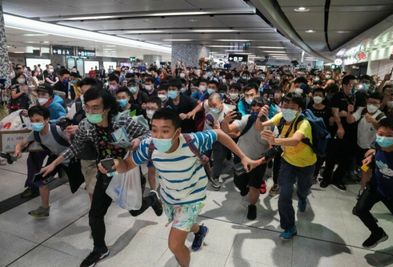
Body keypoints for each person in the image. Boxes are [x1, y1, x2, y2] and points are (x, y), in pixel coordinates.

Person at [113, 108, 258, 267]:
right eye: (154, 130)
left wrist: (243, 156)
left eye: (165, 131)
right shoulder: (148, 146)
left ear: (177, 132)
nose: (158, 136)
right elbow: (127, 165)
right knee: (183, 223)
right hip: (169, 195)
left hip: (192, 196)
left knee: (174, 245)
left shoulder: (192, 141)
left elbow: (219, 134)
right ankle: (199, 231)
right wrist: (115, 164)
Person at [40, 88, 162, 267]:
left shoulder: (122, 120)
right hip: (104, 172)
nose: (90, 112)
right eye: (87, 108)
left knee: (134, 210)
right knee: (95, 214)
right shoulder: (86, 125)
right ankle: (100, 249)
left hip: (128, 171)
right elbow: (75, 148)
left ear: (106, 108)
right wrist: (54, 164)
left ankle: (151, 198)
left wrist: (139, 140)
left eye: (95, 108)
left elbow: (150, 133)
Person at [259, 92, 317, 239]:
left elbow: (295, 140)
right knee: (284, 196)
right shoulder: (281, 117)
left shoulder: (304, 123)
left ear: (299, 109)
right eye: (286, 106)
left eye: (293, 107)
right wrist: (260, 116)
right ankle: (289, 227)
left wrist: (275, 141)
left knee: (303, 189)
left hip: (307, 164)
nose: (288, 109)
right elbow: (263, 124)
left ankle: (303, 198)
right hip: (288, 162)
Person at [15, 106, 70, 217]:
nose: (35, 123)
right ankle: (45, 209)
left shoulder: (57, 130)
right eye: (32, 121)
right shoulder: (35, 133)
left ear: (46, 119)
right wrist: (18, 150)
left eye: (38, 120)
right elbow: (21, 143)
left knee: (88, 184)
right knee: (40, 180)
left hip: (72, 158)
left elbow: (74, 145)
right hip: (56, 158)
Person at [354, 118, 393, 248]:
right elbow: (378, 153)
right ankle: (377, 233)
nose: (383, 138)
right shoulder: (379, 145)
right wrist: (371, 157)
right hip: (377, 187)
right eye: (380, 134)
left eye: (389, 136)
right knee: (360, 209)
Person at [222, 97, 268, 219]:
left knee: (254, 186)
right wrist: (225, 122)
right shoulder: (246, 119)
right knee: (239, 182)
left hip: (258, 162)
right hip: (240, 158)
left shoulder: (271, 126)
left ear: (266, 109)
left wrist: (261, 161)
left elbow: (272, 149)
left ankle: (252, 206)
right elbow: (227, 130)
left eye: (260, 105)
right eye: (254, 105)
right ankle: (243, 188)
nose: (257, 107)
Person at [320, 75, 359, 191]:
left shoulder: (354, 97)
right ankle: (326, 178)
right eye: (352, 85)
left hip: (351, 131)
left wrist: (346, 114)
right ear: (345, 85)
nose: (353, 87)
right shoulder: (338, 96)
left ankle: (338, 179)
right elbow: (335, 113)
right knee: (331, 155)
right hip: (338, 131)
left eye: (354, 85)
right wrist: (340, 127)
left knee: (346, 158)